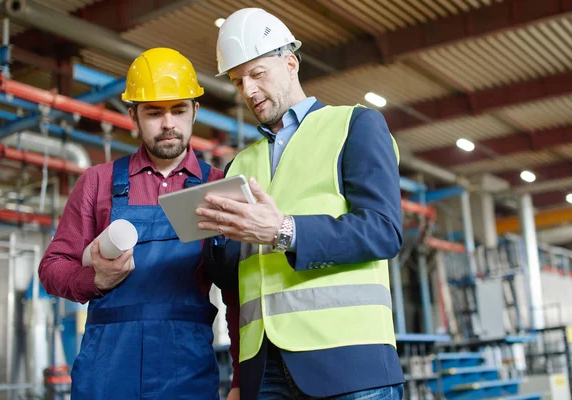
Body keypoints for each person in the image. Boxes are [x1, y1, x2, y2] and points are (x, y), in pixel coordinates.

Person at [197, 8, 405, 400]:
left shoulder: (354, 126)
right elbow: (233, 278)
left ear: (290, 63)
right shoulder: (239, 164)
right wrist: (216, 239)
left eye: (258, 74)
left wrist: (283, 231)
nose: (249, 91)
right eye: (239, 82)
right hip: (264, 365)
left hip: (348, 359)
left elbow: (384, 231)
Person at [39, 47, 240, 400]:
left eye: (178, 110)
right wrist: (93, 279)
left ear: (195, 110)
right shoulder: (98, 183)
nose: (168, 124)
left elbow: (238, 293)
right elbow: (52, 268)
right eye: (153, 112)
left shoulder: (218, 186)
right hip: (106, 371)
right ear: (133, 116)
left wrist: (240, 377)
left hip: (186, 371)